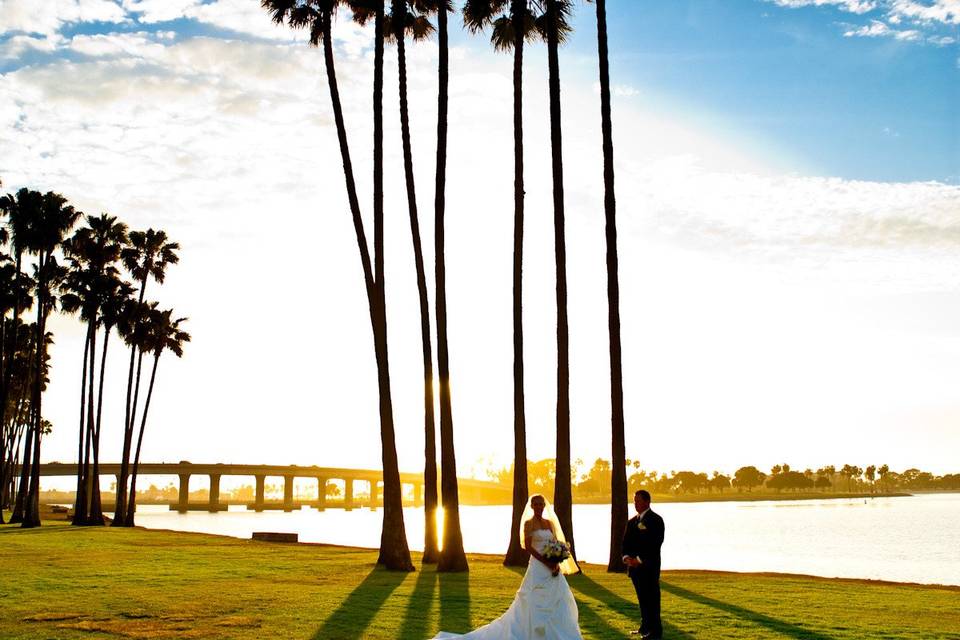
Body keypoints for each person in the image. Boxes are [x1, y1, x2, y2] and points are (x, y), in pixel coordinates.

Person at [432, 494, 582, 640]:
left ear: (544, 506)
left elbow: (554, 543)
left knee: (559, 598)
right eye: (536, 504)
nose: (539, 507)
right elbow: (529, 547)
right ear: (532, 506)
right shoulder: (528, 524)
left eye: (541, 504)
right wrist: (546, 562)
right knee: (533, 600)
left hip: (552, 567)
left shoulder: (549, 523)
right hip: (538, 566)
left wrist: (555, 561)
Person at [621, 490, 665, 639]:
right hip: (634, 569)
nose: (635, 504)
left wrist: (639, 560)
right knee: (642, 598)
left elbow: (654, 544)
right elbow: (625, 543)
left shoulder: (656, 520)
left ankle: (655, 631)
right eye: (634, 501)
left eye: (638, 501)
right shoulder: (632, 521)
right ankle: (645, 626)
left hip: (649, 567)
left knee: (652, 599)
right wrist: (627, 558)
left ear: (647, 502)